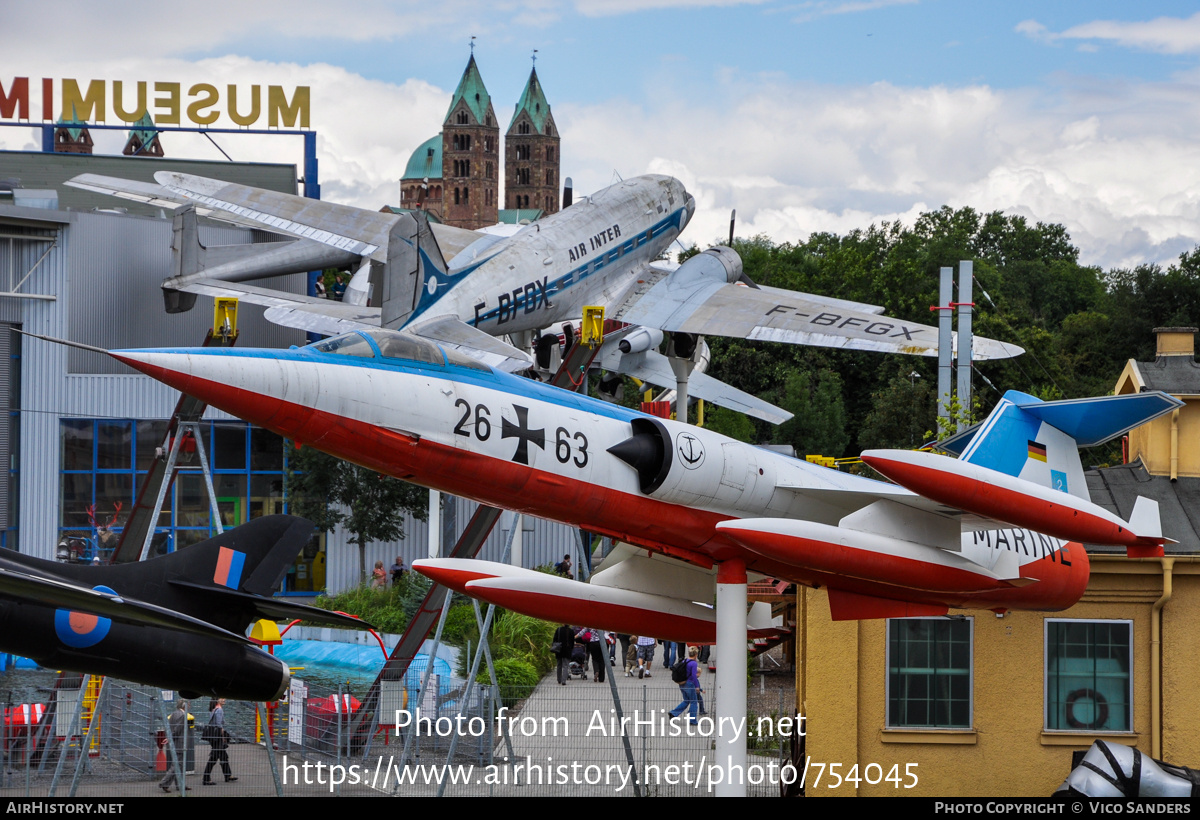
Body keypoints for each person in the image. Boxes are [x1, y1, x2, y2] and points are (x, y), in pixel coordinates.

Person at [202, 698, 237, 785]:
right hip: (217, 737)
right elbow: (219, 724)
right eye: (222, 698)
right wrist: (223, 737)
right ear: (218, 700)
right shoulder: (219, 710)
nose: (224, 699)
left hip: (213, 737)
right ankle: (206, 778)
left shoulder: (214, 709)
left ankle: (228, 775)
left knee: (223, 756)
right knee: (213, 758)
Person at [159, 699, 190, 793]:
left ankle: (180, 785)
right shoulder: (182, 715)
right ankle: (164, 783)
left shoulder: (174, 713)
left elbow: (171, 727)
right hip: (180, 743)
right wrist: (170, 738)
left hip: (175, 743)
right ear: (184, 706)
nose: (190, 706)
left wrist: (168, 737)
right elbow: (177, 730)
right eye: (188, 704)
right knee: (176, 765)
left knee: (178, 765)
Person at [668, 646, 702, 724]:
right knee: (694, 701)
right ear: (696, 654)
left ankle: (673, 713)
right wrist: (697, 686)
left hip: (682, 683)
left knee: (686, 700)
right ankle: (692, 720)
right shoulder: (693, 663)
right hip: (689, 684)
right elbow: (693, 675)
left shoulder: (685, 661)